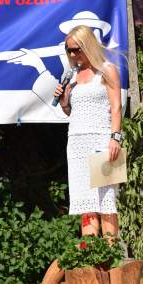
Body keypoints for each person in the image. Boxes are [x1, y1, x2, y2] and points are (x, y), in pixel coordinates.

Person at [53, 25, 122, 239]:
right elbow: (71, 112)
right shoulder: (72, 76)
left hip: (101, 140)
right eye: (69, 50)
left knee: (106, 200)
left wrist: (115, 138)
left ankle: (111, 258)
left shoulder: (106, 69)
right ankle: (91, 258)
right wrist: (65, 101)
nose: (73, 54)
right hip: (76, 143)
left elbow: (117, 107)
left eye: (77, 49)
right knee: (86, 202)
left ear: (88, 45)